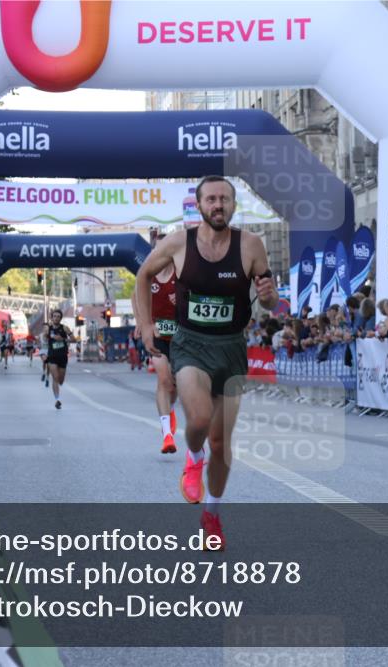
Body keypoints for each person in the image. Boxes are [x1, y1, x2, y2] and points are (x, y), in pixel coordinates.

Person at [135, 175, 277, 551]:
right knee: (198, 419)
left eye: (224, 199)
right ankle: (192, 458)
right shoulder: (179, 242)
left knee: (221, 442)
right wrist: (146, 324)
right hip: (190, 343)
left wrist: (268, 295)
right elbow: (144, 274)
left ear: (233, 205)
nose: (218, 205)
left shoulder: (251, 245)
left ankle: (211, 516)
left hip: (231, 347)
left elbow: (269, 300)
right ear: (199, 206)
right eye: (211, 199)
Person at [140, 232, 181, 453]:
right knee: (164, 380)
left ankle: (170, 408)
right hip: (158, 337)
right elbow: (136, 297)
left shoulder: (182, 272)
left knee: (175, 386)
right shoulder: (149, 274)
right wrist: (143, 323)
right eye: (157, 248)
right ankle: (167, 435)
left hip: (181, 338)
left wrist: (181, 301)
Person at [42, 309, 72, 408]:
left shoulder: (65, 328)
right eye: (54, 316)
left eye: (58, 316)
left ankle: (57, 396)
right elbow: (44, 342)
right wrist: (43, 354)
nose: (56, 318)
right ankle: (57, 399)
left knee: (60, 380)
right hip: (52, 357)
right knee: (55, 377)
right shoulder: (48, 329)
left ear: (60, 318)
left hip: (63, 357)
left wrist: (63, 339)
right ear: (52, 317)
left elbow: (74, 339)